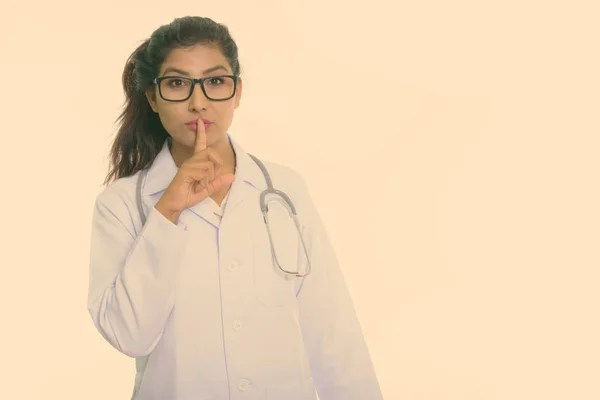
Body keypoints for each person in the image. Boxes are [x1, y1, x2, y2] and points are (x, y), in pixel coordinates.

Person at [87, 15, 383, 400]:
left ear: (238, 92)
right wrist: (168, 210)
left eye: (215, 82)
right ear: (153, 97)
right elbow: (129, 335)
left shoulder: (284, 190)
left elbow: (332, 331)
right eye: (177, 83)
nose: (198, 102)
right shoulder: (122, 204)